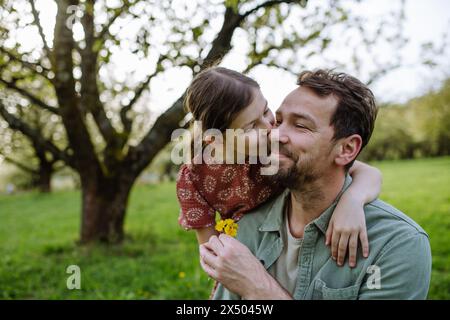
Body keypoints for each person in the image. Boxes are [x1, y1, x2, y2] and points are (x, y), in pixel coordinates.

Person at [200, 69, 432, 300]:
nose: (274, 134)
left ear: (347, 149)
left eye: (301, 126)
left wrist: (258, 287)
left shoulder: (396, 245)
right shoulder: (248, 226)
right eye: (278, 121)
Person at [176, 66, 382, 270]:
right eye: (251, 127)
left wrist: (352, 201)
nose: (269, 128)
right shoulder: (193, 178)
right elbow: (211, 252)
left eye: (266, 111)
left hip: (294, 239)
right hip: (247, 255)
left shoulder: (272, 148)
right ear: (216, 139)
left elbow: (367, 172)